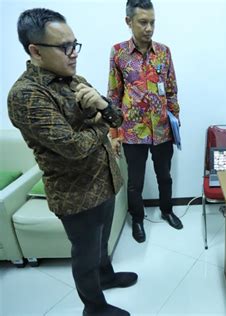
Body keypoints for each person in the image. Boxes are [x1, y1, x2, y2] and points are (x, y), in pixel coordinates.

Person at [8, 8, 137, 316]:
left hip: (105, 180)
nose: (73, 53)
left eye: (75, 44)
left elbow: (118, 117)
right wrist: (100, 125)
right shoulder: (26, 95)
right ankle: (94, 308)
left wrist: (104, 105)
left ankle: (106, 277)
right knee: (85, 254)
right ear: (35, 51)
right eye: (65, 47)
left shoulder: (72, 78)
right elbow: (73, 147)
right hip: (76, 195)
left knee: (102, 242)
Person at [108, 0, 183, 243]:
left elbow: (171, 90)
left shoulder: (164, 51)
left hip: (162, 129)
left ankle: (167, 210)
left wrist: (175, 120)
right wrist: (115, 133)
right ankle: (138, 219)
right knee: (135, 182)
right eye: (143, 22)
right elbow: (114, 96)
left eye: (152, 22)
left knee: (165, 176)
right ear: (128, 22)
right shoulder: (118, 52)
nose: (149, 28)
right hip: (132, 131)